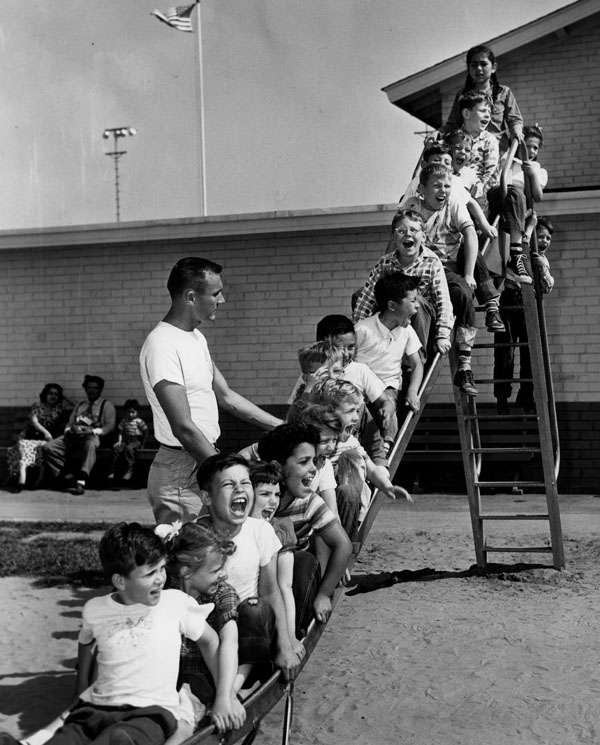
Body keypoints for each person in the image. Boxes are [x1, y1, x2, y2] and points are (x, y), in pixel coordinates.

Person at [0, 523, 219, 745]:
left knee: (118, 738)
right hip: (96, 709)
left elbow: (210, 641)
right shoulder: (96, 609)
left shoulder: (175, 603)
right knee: (68, 737)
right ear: (120, 581)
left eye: (162, 568)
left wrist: (224, 694)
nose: (160, 578)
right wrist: (81, 688)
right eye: (150, 573)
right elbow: (85, 642)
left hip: (150, 713)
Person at [140, 258, 283, 525]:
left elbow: (227, 397)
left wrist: (281, 427)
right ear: (191, 297)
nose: (223, 300)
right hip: (181, 469)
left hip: (204, 458)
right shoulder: (162, 345)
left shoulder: (196, 338)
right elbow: (183, 426)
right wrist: (225, 473)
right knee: (190, 558)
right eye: (216, 293)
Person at [195, 453, 303, 681]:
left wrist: (285, 645)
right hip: (209, 632)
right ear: (206, 497)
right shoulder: (195, 534)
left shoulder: (260, 531)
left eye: (245, 483)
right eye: (228, 484)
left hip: (249, 633)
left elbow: (271, 591)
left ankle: (244, 681)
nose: (240, 490)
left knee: (255, 609)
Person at [257, 422, 353, 625]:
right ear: (277, 467)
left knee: (302, 561)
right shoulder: (256, 497)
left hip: (292, 581)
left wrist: (325, 594)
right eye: (304, 462)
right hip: (260, 578)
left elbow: (343, 545)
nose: (313, 469)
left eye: (314, 461)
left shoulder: (308, 502)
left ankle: (298, 629)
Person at [159, 521, 247, 738]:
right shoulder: (163, 591)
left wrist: (225, 697)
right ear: (187, 571)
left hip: (206, 677)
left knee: (185, 714)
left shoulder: (221, 594)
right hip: (166, 676)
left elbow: (228, 642)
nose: (223, 574)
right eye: (216, 569)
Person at [399, 165, 482, 396]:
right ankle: (403, 361)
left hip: (444, 267)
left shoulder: (453, 205)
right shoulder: (412, 206)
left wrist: (468, 272)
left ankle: (464, 364)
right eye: (437, 185)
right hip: (414, 268)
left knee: (463, 293)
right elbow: (396, 236)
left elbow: (470, 234)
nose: (443, 190)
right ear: (422, 189)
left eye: (447, 185)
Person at [353, 209, 453, 358]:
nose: (408, 234)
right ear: (393, 237)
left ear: (423, 236)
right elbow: (367, 298)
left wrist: (443, 334)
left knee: (414, 301)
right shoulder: (385, 264)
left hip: (423, 322)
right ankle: (378, 349)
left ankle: (417, 358)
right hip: (394, 318)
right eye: (401, 231)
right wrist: (357, 332)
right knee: (359, 295)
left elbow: (443, 300)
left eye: (414, 230)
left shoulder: (432, 262)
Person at [494, 216, 555, 415]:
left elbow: (547, 288)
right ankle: (502, 397)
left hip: (530, 304)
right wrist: (529, 227)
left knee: (529, 354)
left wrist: (542, 268)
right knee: (505, 352)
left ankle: (527, 395)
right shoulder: (519, 249)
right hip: (511, 300)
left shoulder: (542, 260)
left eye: (548, 238)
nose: (544, 241)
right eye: (541, 236)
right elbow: (519, 251)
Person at [249, 462, 304, 658]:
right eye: (265, 494)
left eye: (277, 495)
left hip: (267, 612)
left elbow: (284, 587)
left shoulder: (279, 529)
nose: (273, 501)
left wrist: (290, 637)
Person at [487, 124, 548, 285]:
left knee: (517, 193)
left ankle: (514, 256)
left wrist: (532, 175)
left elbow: (538, 196)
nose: (532, 152)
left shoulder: (538, 170)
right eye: (528, 147)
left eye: (535, 148)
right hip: (500, 201)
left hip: (516, 211)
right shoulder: (507, 160)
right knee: (514, 190)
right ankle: (515, 254)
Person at [355, 273, 423, 416]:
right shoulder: (362, 329)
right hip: (360, 388)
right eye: (412, 300)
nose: (417, 305)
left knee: (388, 413)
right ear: (392, 305)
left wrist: (412, 391)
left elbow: (417, 364)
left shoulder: (407, 332)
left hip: (388, 387)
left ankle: (387, 439)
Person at [439, 44, 523, 153]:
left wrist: (516, 131)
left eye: (483, 64)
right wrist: (438, 133)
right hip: (471, 154)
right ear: (468, 69)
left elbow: (514, 120)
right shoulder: (463, 95)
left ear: (493, 67)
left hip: (498, 153)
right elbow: (453, 124)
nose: (479, 69)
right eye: (474, 65)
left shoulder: (504, 92)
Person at [41, 375, 116, 495]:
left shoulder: (106, 405)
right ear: (85, 389)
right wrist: (68, 430)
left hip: (91, 435)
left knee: (90, 445)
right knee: (47, 448)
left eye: (95, 388)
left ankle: (81, 480)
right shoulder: (80, 405)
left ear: (100, 389)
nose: (91, 390)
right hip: (73, 436)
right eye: (89, 388)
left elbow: (110, 426)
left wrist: (93, 431)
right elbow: (69, 423)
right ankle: (67, 475)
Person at [5, 383, 70, 492]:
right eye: (50, 393)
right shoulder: (38, 406)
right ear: (45, 394)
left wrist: (65, 397)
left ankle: (38, 479)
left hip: (44, 440)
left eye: (56, 394)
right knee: (24, 446)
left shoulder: (59, 408)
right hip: (30, 436)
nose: (53, 396)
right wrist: (46, 432)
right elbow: (34, 422)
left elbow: (77, 405)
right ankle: (22, 474)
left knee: (45, 447)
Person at [108, 399, 149, 482]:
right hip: (126, 440)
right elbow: (120, 432)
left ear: (137, 412)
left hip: (136, 440)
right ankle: (113, 470)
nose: (130, 414)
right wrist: (119, 441)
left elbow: (146, 431)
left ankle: (129, 470)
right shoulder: (124, 421)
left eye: (132, 412)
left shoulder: (139, 421)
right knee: (116, 449)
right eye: (128, 412)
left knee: (129, 449)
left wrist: (143, 444)